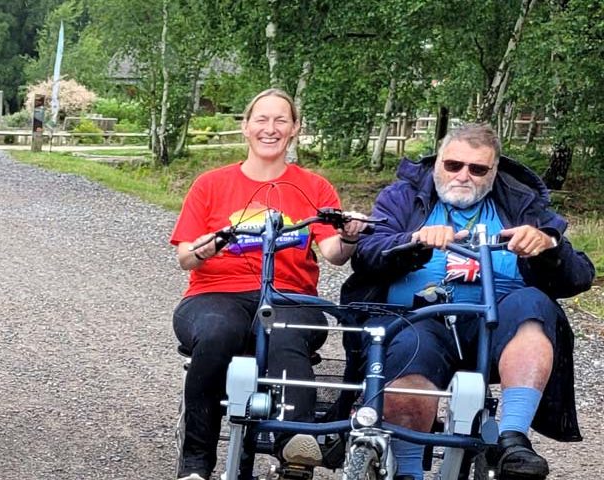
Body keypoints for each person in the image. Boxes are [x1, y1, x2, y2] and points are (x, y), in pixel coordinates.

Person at [341, 123, 592, 480]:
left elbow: (579, 275)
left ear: (494, 171)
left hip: (497, 324)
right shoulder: (402, 196)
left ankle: (512, 438)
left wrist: (548, 247)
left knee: (534, 304)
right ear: (437, 162)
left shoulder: (520, 201)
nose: (463, 175)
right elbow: (366, 253)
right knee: (411, 344)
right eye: (453, 165)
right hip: (421, 317)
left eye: (478, 169)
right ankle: (408, 470)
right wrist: (414, 242)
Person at [168, 89, 366, 480]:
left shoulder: (315, 187)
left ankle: (295, 448)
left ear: (294, 129)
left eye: (280, 121)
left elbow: (333, 254)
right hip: (216, 293)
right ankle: (195, 466)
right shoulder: (210, 185)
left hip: (288, 295)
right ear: (245, 127)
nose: (270, 129)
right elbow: (185, 257)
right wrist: (209, 247)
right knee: (216, 334)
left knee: (286, 333)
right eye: (261, 119)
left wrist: (352, 235)